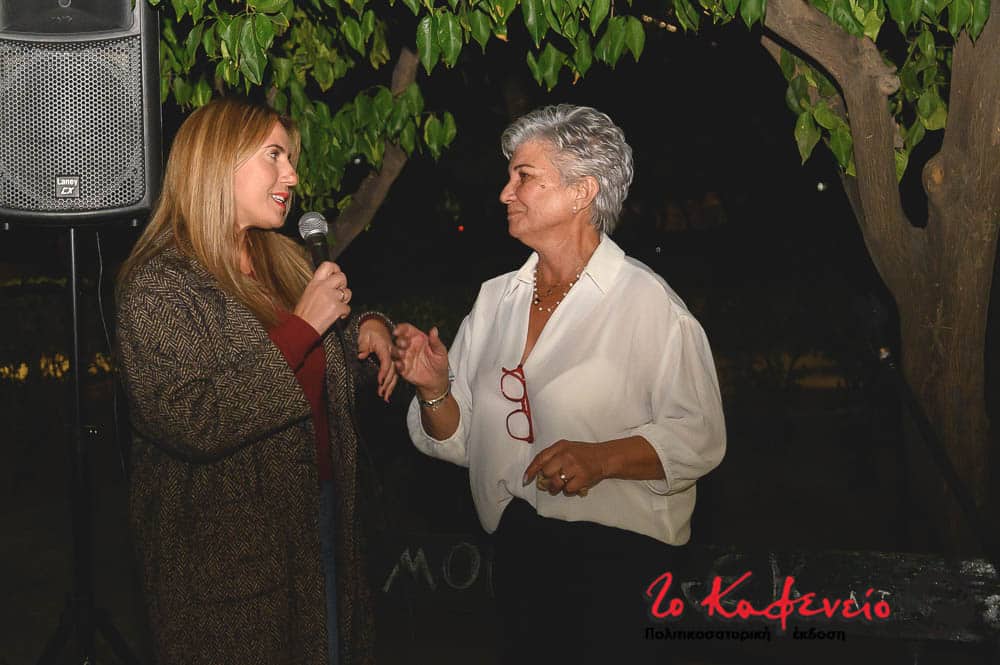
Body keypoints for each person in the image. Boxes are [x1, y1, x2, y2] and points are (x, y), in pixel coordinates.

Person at [391, 104, 726, 663]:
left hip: (620, 564)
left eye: (524, 176)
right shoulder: (495, 299)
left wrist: (602, 458)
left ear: (581, 192)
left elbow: (700, 435)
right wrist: (433, 388)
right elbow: (461, 440)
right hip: (518, 555)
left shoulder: (647, 304)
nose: (505, 192)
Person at [115, 97, 395, 665]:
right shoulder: (160, 283)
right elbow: (192, 419)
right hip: (227, 551)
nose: (292, 176)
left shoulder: (283, 258)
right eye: (275, 156)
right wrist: (303, 326)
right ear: (218, 161)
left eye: (290, 159)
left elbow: (324, 369)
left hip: (318, 513)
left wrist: (370, 333)